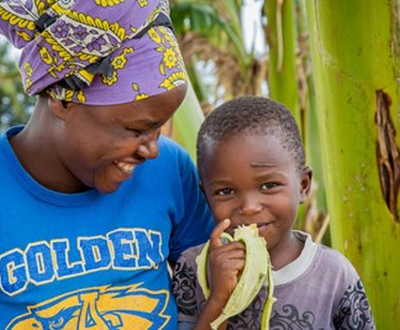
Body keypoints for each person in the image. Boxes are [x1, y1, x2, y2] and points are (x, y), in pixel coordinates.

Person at [0, 0, 213, 328]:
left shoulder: (169, 172)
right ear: (63, 98)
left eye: (158, 129)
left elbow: (206, 299)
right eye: (137, 130)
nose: (152, 150)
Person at [172, 96, 376, 329]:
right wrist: (220, 299)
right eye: (225, 191)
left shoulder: (335, 274)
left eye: (268, 186)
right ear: (206, 196)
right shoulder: (193, 267)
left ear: (303, 185)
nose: (249, 207)